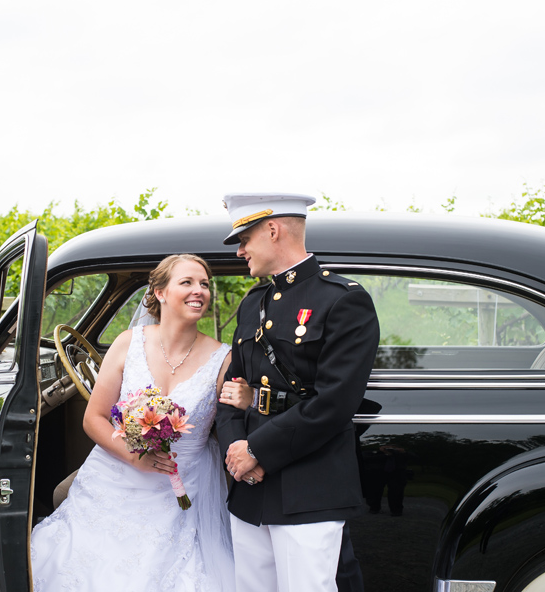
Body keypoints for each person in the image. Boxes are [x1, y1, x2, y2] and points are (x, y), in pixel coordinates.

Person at [30, 254, 252, 592]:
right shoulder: (128, 343)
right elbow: (94, 418)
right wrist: (136, 456)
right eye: (188, 282)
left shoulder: (223, 358)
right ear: (160, 293)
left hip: (186, 483)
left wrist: (247, 400)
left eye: (205, 284)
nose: (200, 291)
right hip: (116, 473)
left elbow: (236, 420)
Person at [215, 193, 380, 592]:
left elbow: (334, 404)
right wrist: (238, 451)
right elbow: (232, 391)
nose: (239, 251)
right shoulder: (254, 302)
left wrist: (256, 451)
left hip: (310, 487)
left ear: (273, 230)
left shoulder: (342, 300)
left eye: (244, 239)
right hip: (250, 489)